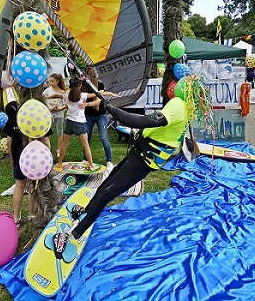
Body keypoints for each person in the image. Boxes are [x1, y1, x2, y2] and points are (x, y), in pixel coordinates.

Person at [52, 75, 211, 243]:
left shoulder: (178, 105)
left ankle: (73, 234)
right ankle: (84, 211)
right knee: (105, 184)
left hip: (143, 160)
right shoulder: (184, 107)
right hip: (140, 153)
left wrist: (112, 110)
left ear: (185, 89)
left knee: (106, 193)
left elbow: (142, 121)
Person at [50, 77, 119, 171]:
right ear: (80, 85)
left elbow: (58, 96)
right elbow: (98, 94)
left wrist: (48, 97)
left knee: (64, 144)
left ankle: (59, 163)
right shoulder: (82, 95)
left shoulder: (66, 94)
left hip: (69, 122)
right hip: (79, 123)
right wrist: (110, 93)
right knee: (86, 144)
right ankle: (91, 165)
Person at [3, 102, 36, 227]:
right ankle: (32, 214)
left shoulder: (10, 120)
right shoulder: (31, 116)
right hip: (33, 157)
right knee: (32, 185)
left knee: (19, 186)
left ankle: (16, 217)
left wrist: (12, 158)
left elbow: (9, 142)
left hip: (18, 157)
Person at [82, 66, 114, 170]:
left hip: (100, 115)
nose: (85, 77)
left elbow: (100, 99)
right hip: (88, 115)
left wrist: (86, 104)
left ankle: (109, 161)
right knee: (86, 137)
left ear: (91, 76)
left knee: (104, 138)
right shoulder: (83, 85)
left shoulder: (99, 84)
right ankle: (85, 158)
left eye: (87, 76)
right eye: (84, 75)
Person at [43, 73, 66, 156]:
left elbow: (66, 104)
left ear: (57, 81)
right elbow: (43, 101)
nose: (51, 83)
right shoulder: (47, 91)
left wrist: (60, 108)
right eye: (50, 81)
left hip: (59, 114)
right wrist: (48, 108)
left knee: (59, 131)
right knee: (47, 131)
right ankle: (47, 147)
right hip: (49, 113)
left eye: (52, 81)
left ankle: (59, 149)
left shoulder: (62, 92)